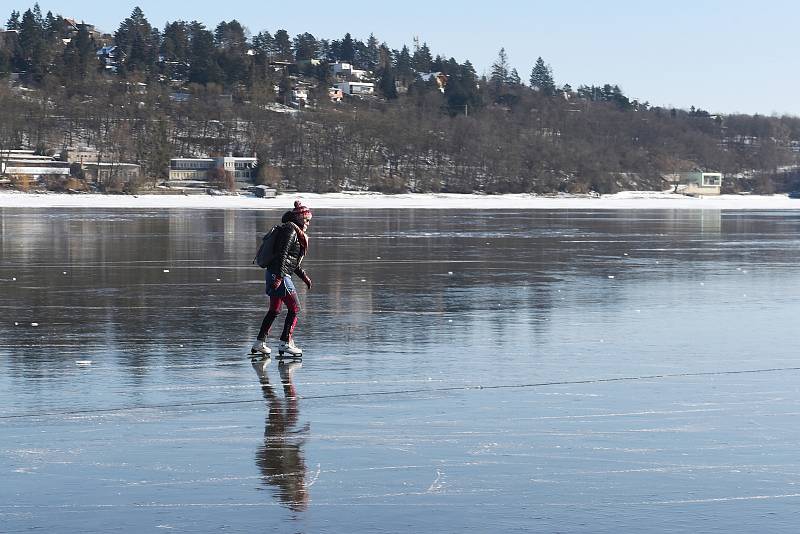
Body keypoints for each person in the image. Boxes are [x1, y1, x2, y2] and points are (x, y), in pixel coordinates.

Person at [251, 201, 313, 357]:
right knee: (295, 309)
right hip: (280, 275)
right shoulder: (291, 231)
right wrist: (279, 277)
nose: (308, 223)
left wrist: (304, 276)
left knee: (275, 310)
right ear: (299, 218)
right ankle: (286, 342)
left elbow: (291, 261)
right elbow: (282, 255)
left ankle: (260, 343)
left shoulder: (295, 231)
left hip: (276, 273)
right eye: (306, 219)